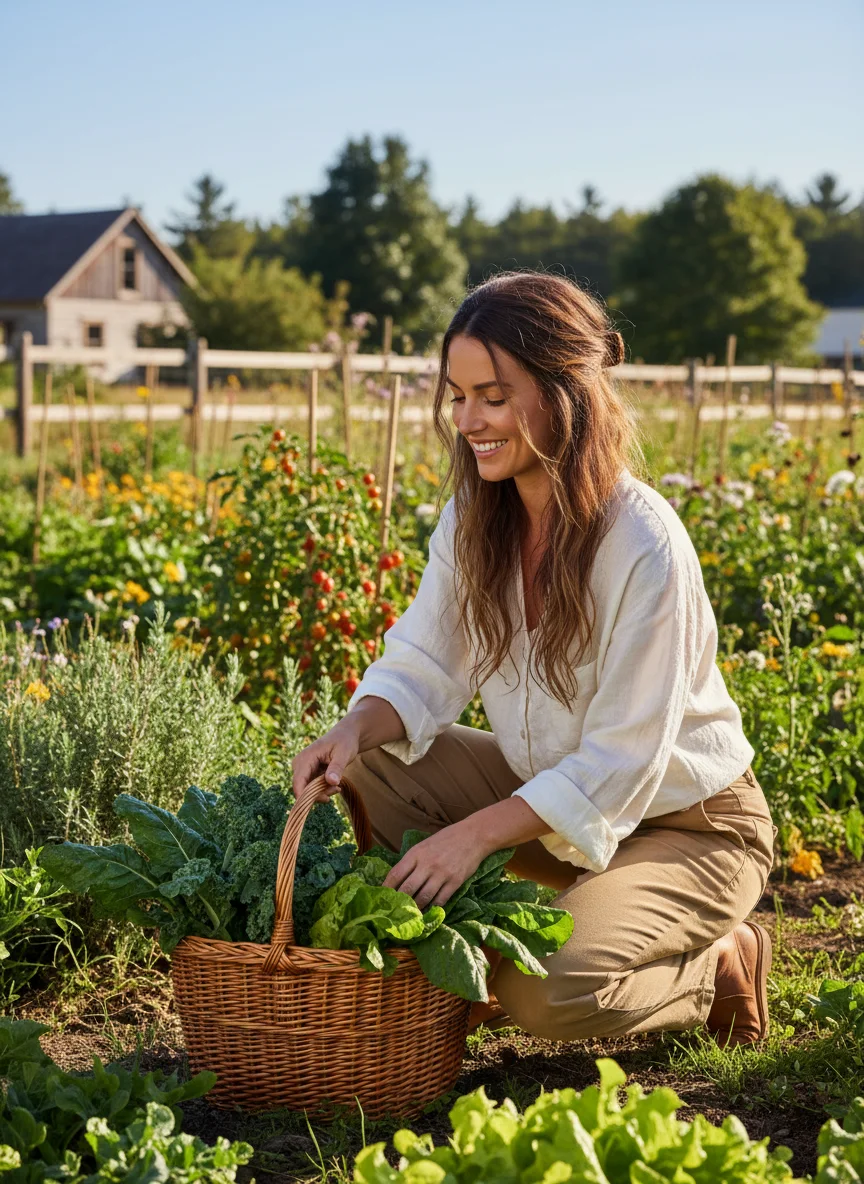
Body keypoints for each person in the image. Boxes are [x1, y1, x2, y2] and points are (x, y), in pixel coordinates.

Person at [292, 271, 775, 1047]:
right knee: (373, 767)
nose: (469, 420)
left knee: (545, 994)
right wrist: (352, 731)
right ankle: (456, 964)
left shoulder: (642, 542)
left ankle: (717, 963)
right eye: (456, 396)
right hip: (558, 811)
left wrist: (476, 834)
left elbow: (622, 760)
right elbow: (423, 660)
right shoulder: (474, 520)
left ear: (565, 391)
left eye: (493, 395)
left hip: (690, 826)